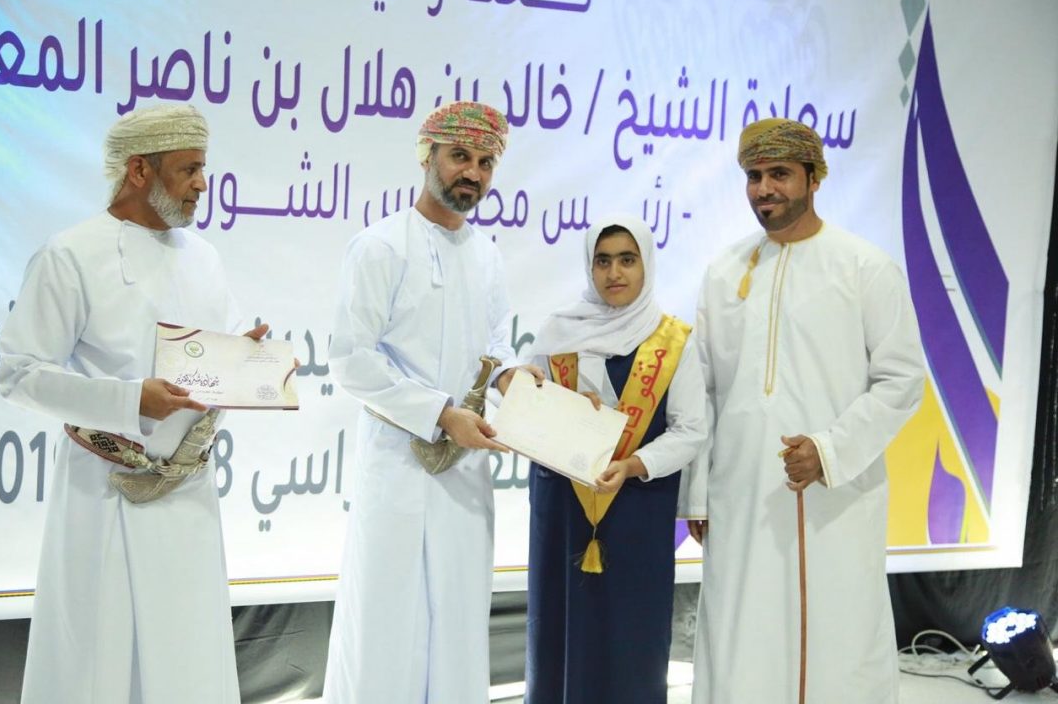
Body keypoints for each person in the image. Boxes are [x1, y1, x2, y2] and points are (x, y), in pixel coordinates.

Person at [0, 104, 259, 703]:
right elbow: (18, 374)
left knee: (188, 661)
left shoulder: (205, 257)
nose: (202, 184)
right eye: (188, 170)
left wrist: (252, 363)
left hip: (189, 495)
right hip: (104, 491)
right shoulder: (70, 255)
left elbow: (221, 352)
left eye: (203, 169)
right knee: (99, 661)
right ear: (139, 171)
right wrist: (129, 400)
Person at [687, 118, 926, 704]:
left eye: (780, 174)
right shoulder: (724, 272)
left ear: (814, 178)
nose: (764, 189)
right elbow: (703, 390)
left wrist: (830, 449)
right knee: (740, 637)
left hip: (833, 497)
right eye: (754, 176)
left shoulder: (864, 267)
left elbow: (902, 380)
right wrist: (697, 494)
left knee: (837, 640)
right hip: (740, 494)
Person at [323, 101, 542, 703]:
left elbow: (495, 345)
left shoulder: (487, 254)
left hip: (464, 473)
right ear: (428, 157)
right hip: (397, 463)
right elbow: (350, 358)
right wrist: (440, 414)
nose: (472, 172)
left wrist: (511, 380)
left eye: (485, 162)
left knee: (458, 618)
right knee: (388, 622)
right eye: (459, 157)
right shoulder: (380, 246)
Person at [522, 215, 709, 704]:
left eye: (628, 259)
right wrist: (542, 399)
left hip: (638, 509)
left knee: (633, 638)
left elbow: (691, 430)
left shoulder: (674, 341)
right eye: (602, 261)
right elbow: (532, 415)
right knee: (560, 633)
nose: (614, 273)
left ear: (647, 265)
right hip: (563, 511)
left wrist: (632, 465)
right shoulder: (558, 333)